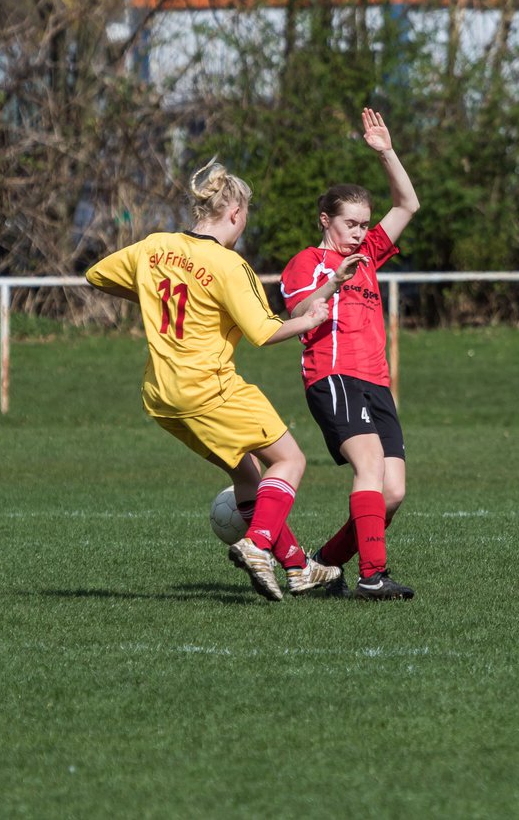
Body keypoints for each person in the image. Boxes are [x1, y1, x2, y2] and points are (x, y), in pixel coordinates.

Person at [85, 160, 343, 601]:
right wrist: (312, 319)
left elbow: (96, 274)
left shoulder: (154, 246)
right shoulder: (229, 265)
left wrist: (148, 294)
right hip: (210, 389)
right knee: (291, 461)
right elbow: (264, 332)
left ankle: (298, 568)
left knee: (247, 474)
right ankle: (258, 544)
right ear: (236, 213)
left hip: (163, 398)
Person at [279, 108, 420, 600]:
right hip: (333, 376)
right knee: (369, 467)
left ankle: (323, 566)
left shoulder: (371, 256)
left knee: (394, 492)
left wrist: (386, 152)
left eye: (364, 224)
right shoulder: (309, 261)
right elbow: (295, 309)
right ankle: (372, 576)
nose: (360, 233)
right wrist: (333, 282)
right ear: (327, 221)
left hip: (376, 382)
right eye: (350, 224)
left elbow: (408, 204)